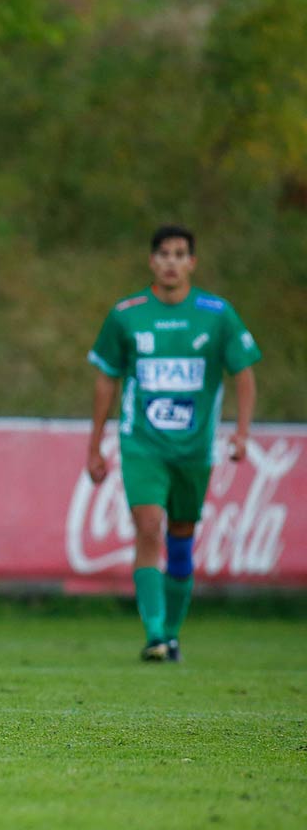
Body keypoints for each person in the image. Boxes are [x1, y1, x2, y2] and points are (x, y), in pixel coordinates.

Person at [85, 224, 261, 662]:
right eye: (163, 253)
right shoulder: (127, 314)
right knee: (148, 527)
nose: (170, 261)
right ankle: (155, 635)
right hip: (141, 444)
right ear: (152, 261)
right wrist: (94, 444)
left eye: (180, 254)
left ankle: (172, 632)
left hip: (194, 449)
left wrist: (241, 432)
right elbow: (107, 379)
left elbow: (244, 373)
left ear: (191, 263)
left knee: (181, 536)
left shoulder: (217, 314)